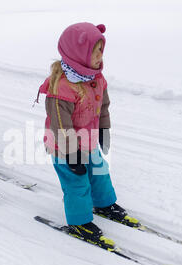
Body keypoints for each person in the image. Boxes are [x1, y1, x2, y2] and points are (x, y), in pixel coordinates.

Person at [37, 22, 139, 247]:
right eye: (95, 51)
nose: (100, 56)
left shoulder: (96, 78)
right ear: (78, 54)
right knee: (77, 183)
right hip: (64, 148)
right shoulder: (61, 87)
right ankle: (79, 221)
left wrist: (103, 129)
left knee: (100, 172)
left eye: (102, 50)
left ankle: (103, 203)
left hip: (89, 141)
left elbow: (103, 106)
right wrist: (72, 154)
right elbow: (60, 124)